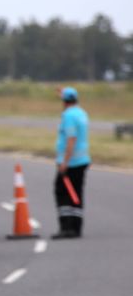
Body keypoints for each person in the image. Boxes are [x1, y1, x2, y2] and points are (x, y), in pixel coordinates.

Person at [52, 87, 91, 239]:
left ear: (64, 101)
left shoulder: (68, 116)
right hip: (82, 160)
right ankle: (76, 227)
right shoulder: (81, 113)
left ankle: (66, 227)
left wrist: (64, 162)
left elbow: (71, 139)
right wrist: (63, 92)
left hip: (71, 163)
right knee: (76, 195)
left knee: (62, 193)